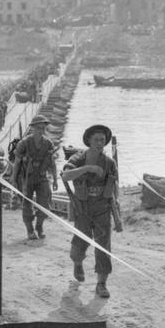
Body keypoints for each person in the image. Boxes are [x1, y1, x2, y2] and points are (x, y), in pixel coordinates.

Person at [61, 124, 121, 298]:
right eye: (96, 139)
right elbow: (66, 176)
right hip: (83, 209)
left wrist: (116, 209)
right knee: (78, 246)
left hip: (102, 208)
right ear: (88, 141)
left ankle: (101, 284)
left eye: (102, 140)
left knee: (104, 247)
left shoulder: (109, 162)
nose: (100, 143)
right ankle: (78, 263)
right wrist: (88, 169)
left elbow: (115, 185)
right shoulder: (78, 159)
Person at [11, 115, 58, 240]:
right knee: (26, 205)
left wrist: (55, 179)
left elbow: (52, 163)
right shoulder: (24, 143)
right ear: (32, 128)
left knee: (45, 204)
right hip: (26, 177)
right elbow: (17, 162)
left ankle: (39, 227)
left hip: (42, 177)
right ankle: (30, 230)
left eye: (43, 128)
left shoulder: (48, 143)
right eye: (38, 128)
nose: (41, 130)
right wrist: (13, 179)